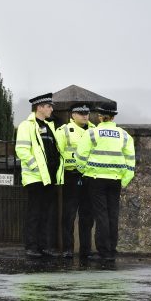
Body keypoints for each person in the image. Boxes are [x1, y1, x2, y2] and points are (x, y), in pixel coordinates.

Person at [75, 104, 135, 262]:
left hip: (95, 179)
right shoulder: (124, 135)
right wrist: (125, 179)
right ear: (113, 117)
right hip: (115, 180)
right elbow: (130, 160)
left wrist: (84, 171)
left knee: (101, 215)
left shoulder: (92, 133)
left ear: (100, 117)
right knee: (112, 215)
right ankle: (111, 249)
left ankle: (103, 252)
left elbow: (80, 156)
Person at [15, 93, 64, 258]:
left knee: (46, 213)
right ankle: (31, 246)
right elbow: (21, 150)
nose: (51, 109)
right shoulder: (26, 126)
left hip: (49, 177)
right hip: (35, 177)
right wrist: (36, 168)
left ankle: (44, 246)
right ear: (40, 107)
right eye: (49, 106)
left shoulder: (48, 126)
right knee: (34, 213)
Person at [55, 104, 96, 259]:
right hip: (71, 176)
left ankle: (86, 250)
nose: (85, 116)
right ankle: (68, 249)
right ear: (73, 115)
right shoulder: (64, 131)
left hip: (89, 176)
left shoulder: (95, 130)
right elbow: (58, 152)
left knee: (87, 216)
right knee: (68, 215)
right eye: (81, 113)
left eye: (87, 113)